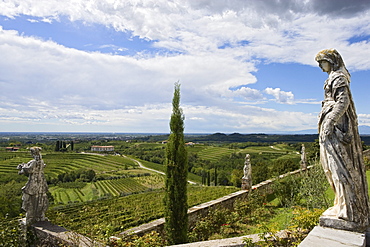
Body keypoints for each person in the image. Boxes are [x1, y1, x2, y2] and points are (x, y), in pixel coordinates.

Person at [316, 49, 369, 229]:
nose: (320, 66)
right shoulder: (333, 77)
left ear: (331, 61)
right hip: (330, 128)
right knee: (330, 167)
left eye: (322, 62)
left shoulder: (339, 77)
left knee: (339, 168)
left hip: (337, 129)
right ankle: (341, 203)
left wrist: (330, 121)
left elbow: (343, 102)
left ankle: (349, 209)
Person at [17, 147, 49, 225]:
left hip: (34, 181)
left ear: (33, 153)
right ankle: (40, 215)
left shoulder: (34, 162)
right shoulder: (41, 161)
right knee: (40, 197)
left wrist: (22, 167)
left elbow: (29, 170)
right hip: (41, 181)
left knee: (29, 197)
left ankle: (31, 217)